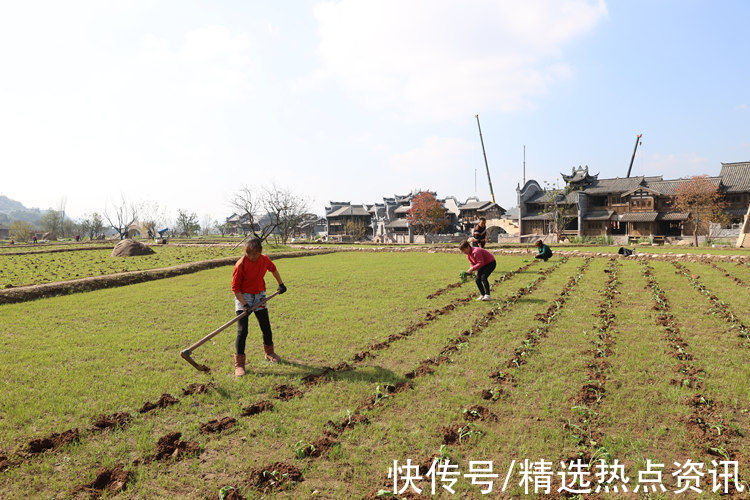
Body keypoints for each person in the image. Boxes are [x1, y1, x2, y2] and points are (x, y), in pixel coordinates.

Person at [231, 237, 287, 376]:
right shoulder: (241, 265)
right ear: (246, 252)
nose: (253, 257)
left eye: (256, 254)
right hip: (244, 296)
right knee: (242, 331)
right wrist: (244, 305)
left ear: (260, 252)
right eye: (250, 254)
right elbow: (235, 288)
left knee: (265, 326)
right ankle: (239, 364)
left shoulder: (264, 259)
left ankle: (269, 353)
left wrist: (281, 284)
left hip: (259, 296)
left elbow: (273, 270)